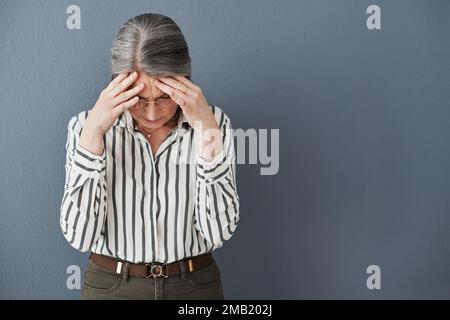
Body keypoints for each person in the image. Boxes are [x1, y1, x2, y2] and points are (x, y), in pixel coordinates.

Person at [59, 13, 240, 300]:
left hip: (195, 287)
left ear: (184, 81)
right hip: (112, 287)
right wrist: (93, 136)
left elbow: (220, 233)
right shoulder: (84, 127)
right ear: (118, 85)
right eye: (139, 100)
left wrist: (207, 132)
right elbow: (80, 237)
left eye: (165, 98)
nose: (153, 113)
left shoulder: (214, 123)